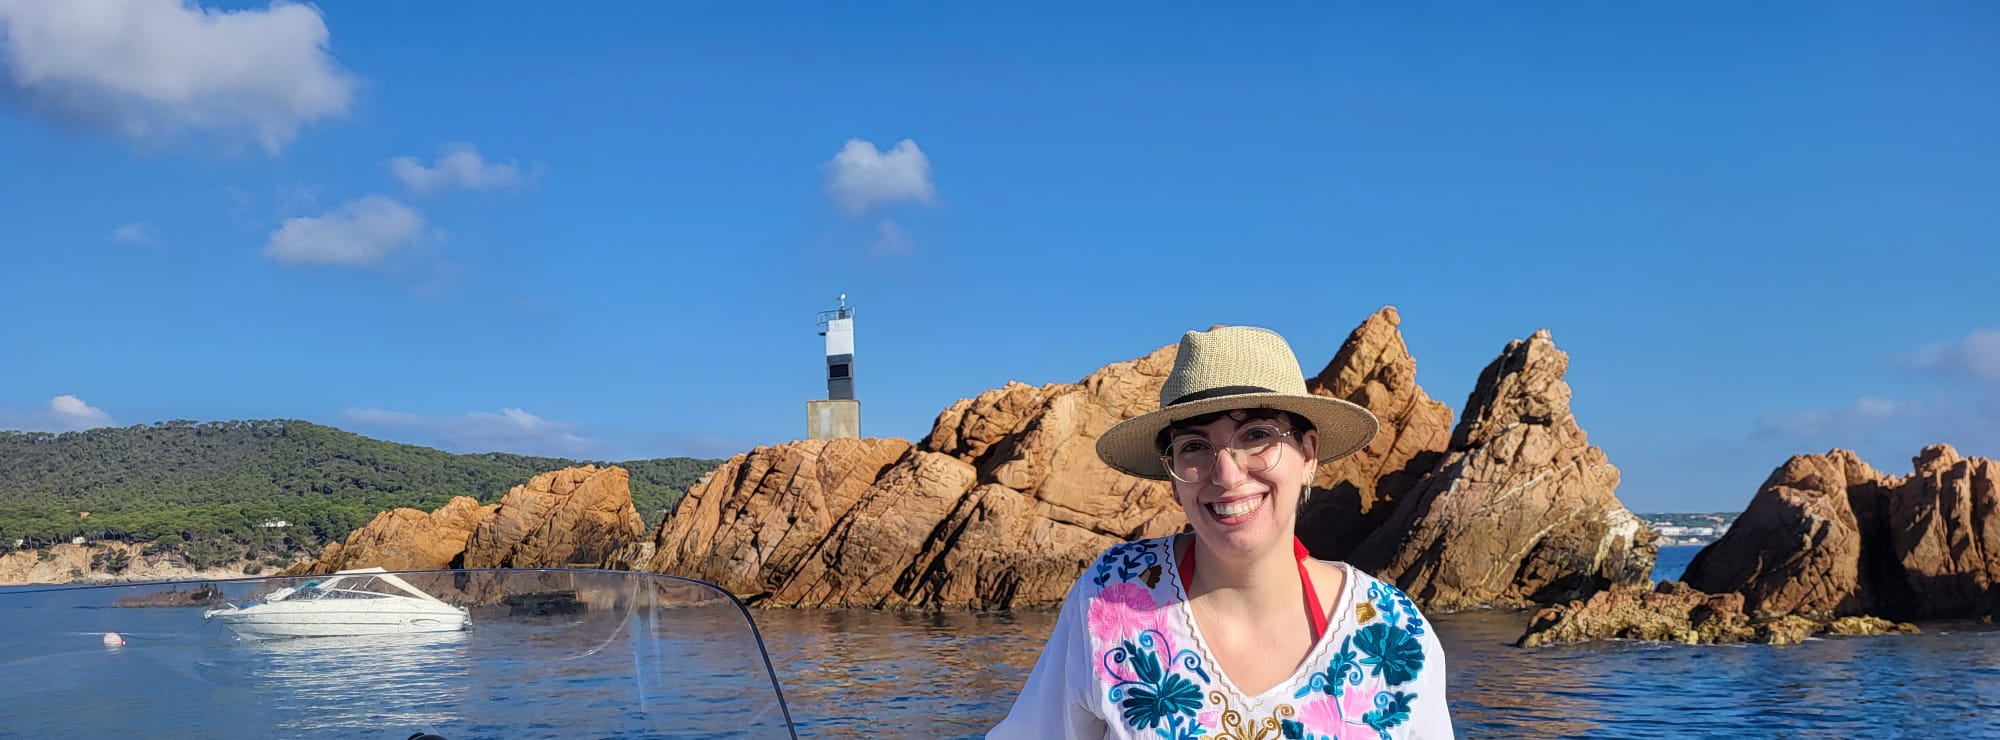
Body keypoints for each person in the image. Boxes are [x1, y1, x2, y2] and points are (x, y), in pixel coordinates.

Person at [989, 325, 1454, 739]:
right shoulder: (1111, 597)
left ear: (1308, 454)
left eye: (1256, 435)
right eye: (1194, 446)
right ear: (1172, 477)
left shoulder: (1394, 634)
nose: (1227, 475)